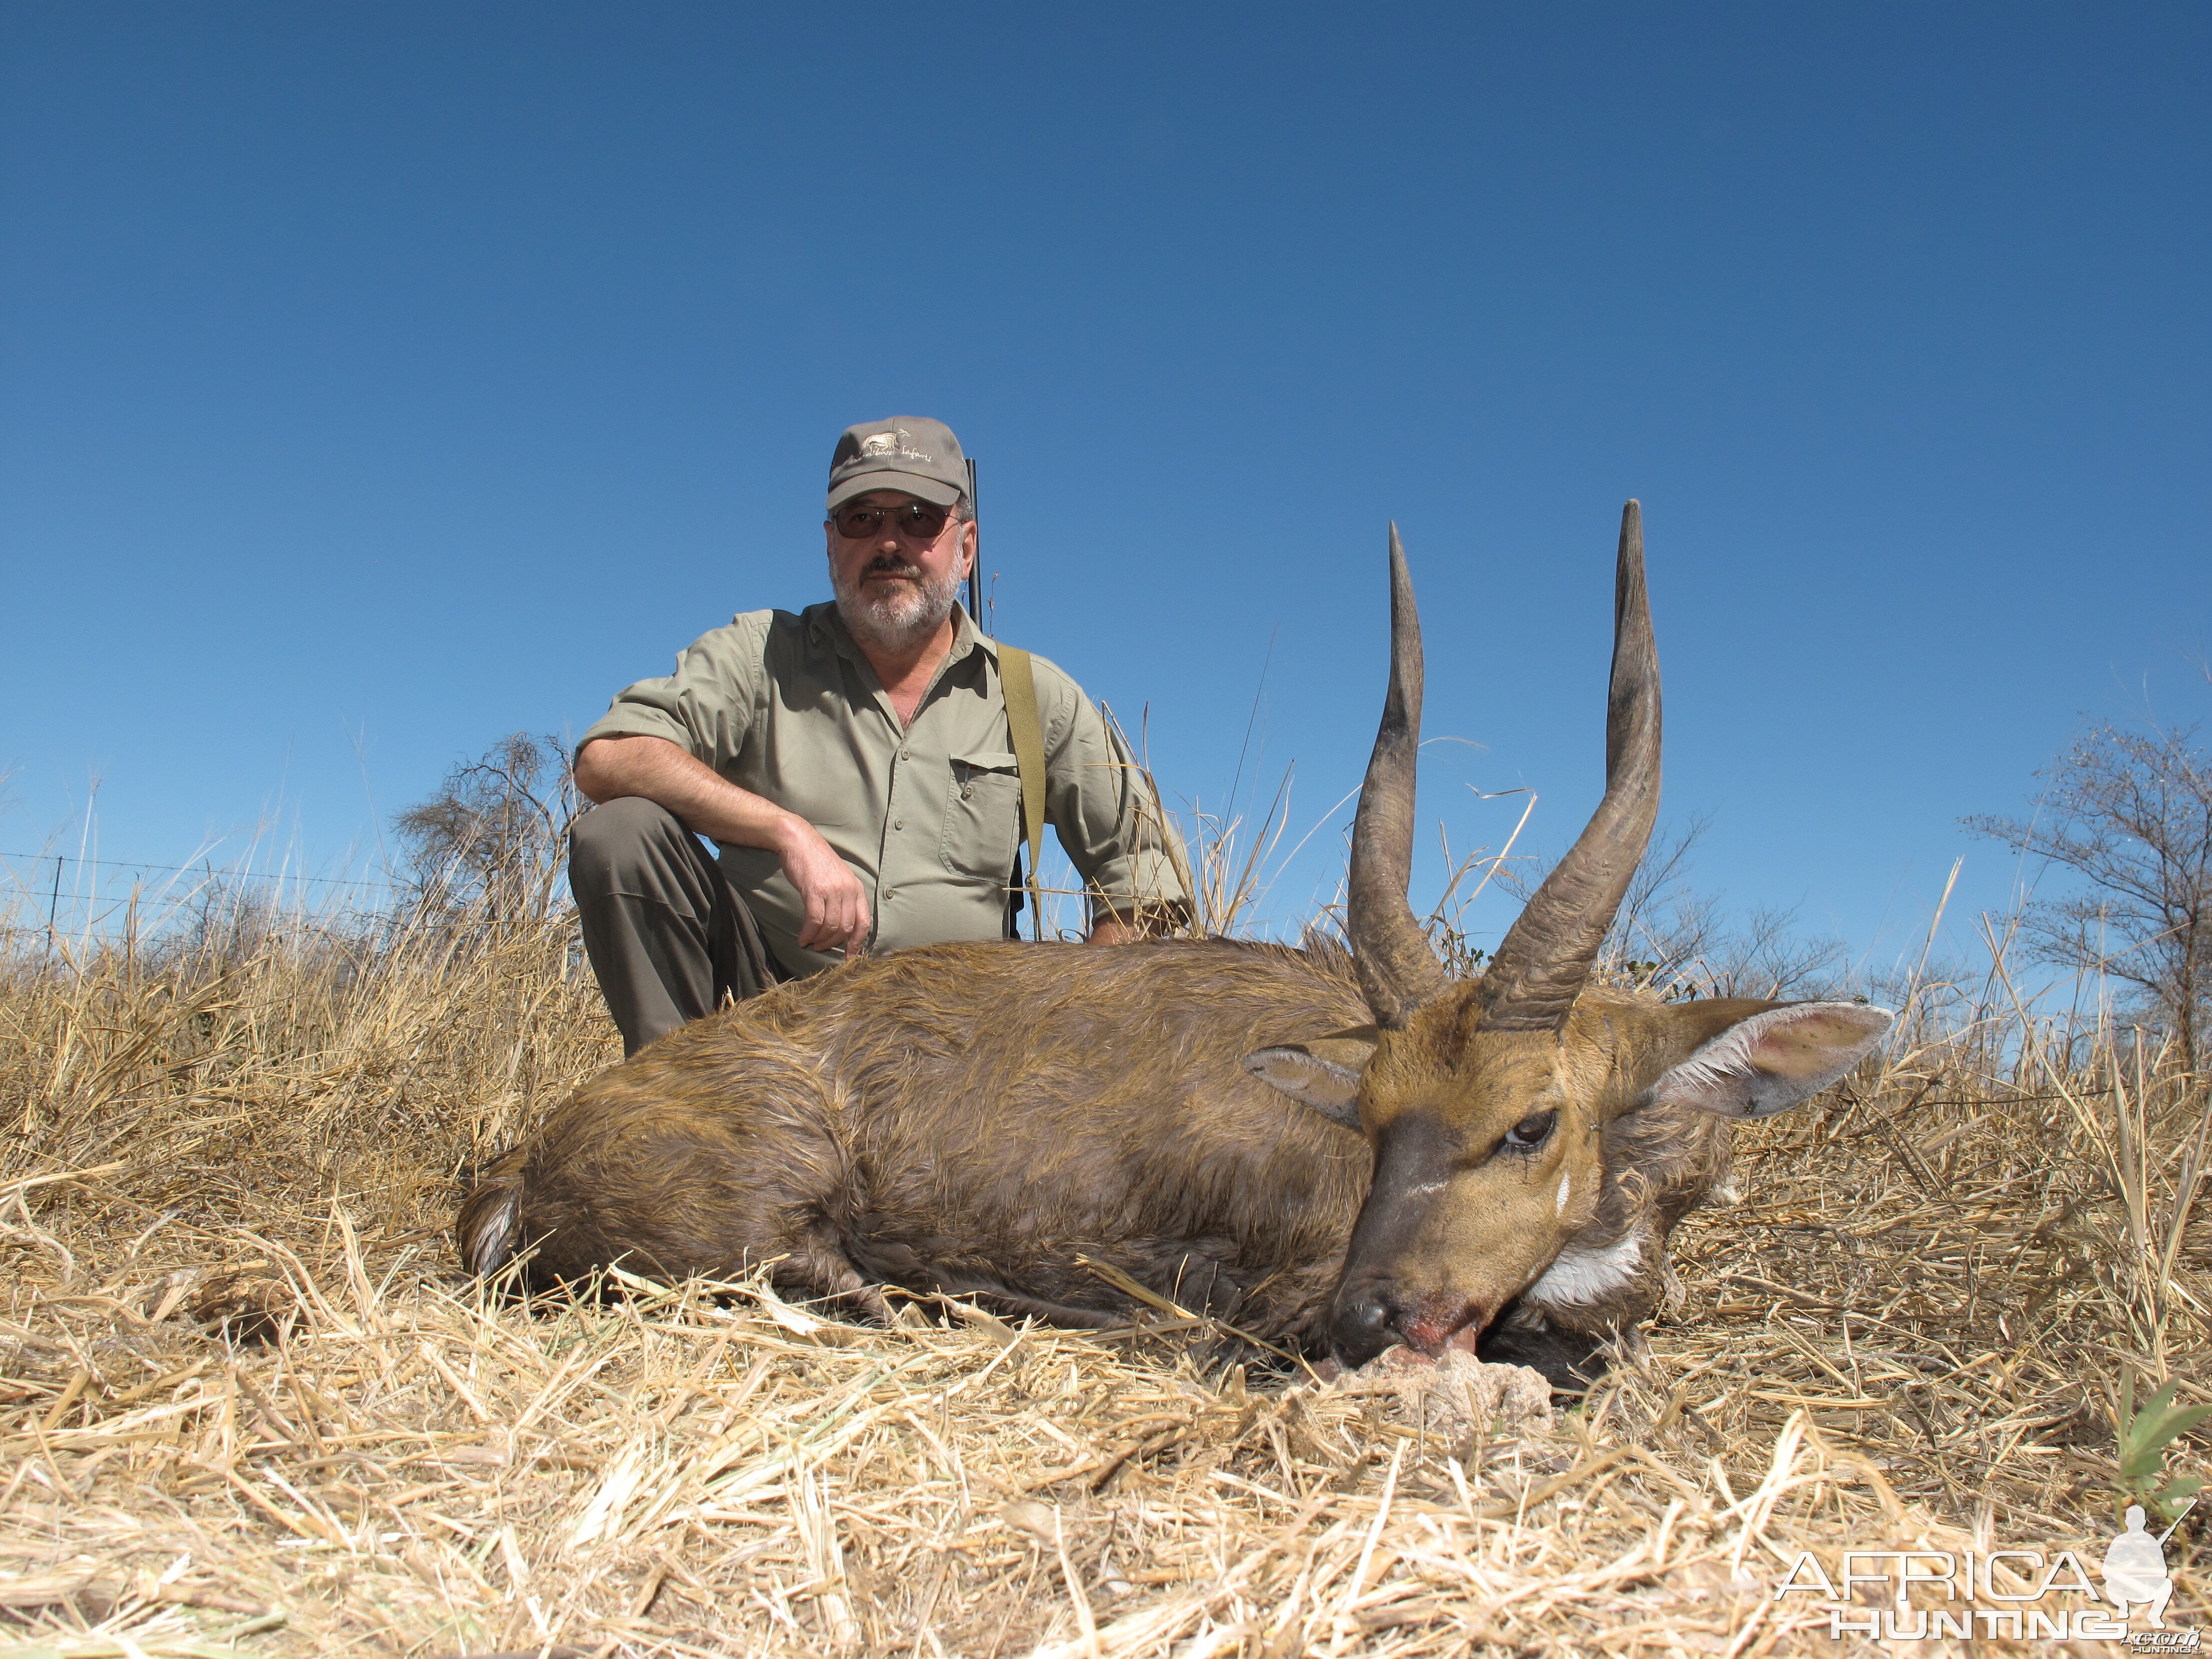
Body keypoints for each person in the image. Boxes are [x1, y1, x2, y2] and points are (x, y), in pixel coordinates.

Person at [569, 415, 1191, 1054]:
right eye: (861, 520)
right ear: (831, 541)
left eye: (919, 518)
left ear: (967, 545)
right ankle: (681, 1112)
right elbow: (609, 757)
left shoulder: (1035, 697)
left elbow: (1147, 882)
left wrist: (1062, 1024)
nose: (888, 543)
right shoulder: (759, 654)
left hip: (963, 1046)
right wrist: (787, 832)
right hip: (760, 1014)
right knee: (620, 834)